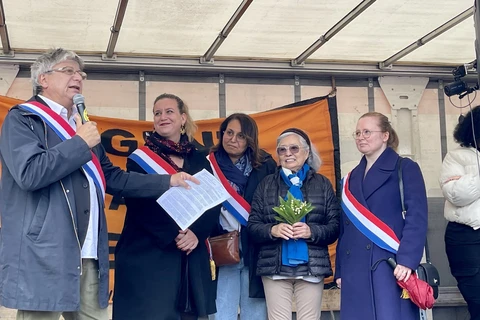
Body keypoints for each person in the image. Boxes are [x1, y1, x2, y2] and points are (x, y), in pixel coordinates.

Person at [0, 49, 198, 320]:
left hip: (89, 253)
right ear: (43, 79)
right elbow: (29, 174)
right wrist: (79, 143)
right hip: (47, 252)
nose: (77, 77)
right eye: (68, 70)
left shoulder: (81, 125)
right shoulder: (24, 119)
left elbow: (114, 178)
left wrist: (168, 180)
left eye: (80, 73)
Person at [113, 93, 219, 320]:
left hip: (189, 256)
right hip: (148, 254)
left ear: (182, 118)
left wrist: (196, 234)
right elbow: (140, 204)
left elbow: (212, 202)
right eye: (157, 113)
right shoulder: (139, 158)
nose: (163, 117)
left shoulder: (201, 158)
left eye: (169, 111)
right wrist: (175, 234)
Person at [335, 112, 428, 320]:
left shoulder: (405, 168)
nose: (361, 137)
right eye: (358, 133)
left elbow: (417, 218)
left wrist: (407, 260)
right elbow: (345, 229)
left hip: (390, 264)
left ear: (385, 135)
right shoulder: (350, 178)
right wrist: (340, 270)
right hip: (354, 267)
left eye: (367, 131)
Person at [247, 128, 340, 320]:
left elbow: (334, 227)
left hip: (311, 266)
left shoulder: (322, 184)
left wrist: (311, 231)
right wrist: (273, 230)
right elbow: (253, 226)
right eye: (282, 150)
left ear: (307, 152)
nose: (288, 153)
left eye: (294, 148)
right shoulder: (266, 184)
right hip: (275, 267)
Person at [209, 113, 276, 320]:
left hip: (255, 248)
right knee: (221, 313)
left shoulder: (266, 164)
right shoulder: (207, 162)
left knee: (255, 314)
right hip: (221, 247)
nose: (233, 139)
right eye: (229, 133)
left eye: (241, 136)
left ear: (250, 140)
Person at [440, 106, 480, 320]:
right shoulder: (455, 157)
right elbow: (457, 196)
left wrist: (469, 176)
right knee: (477, 300)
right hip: (466, 237)